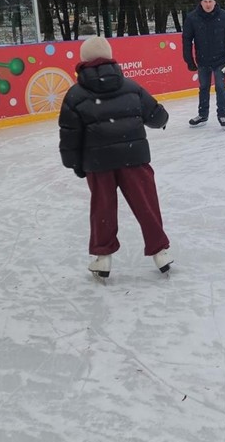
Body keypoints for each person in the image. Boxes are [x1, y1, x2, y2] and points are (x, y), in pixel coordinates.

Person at [58, 36, 173, 279]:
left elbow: (70, 137)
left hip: (98, 163)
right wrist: (162, 120)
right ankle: (160, 251)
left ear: (83, 60)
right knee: (146, 204)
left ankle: (103, 258)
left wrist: (76, 165)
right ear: (110, 57)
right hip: (134, 157)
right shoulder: (130, 87)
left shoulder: (75, 95)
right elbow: (155, 115)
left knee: (103, 208)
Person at [182, 0, 225, 127]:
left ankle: (222, 114)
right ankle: (202, 115)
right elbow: (187, 40)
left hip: (221, 59)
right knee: (204, 87)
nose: (208, 4)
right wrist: (189, 59)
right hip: (203, 59)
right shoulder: (192, 18)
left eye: (210, 1)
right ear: (201, 3)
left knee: (220, 86)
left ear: (215, 2)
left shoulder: (224, 16)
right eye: (205, 1)